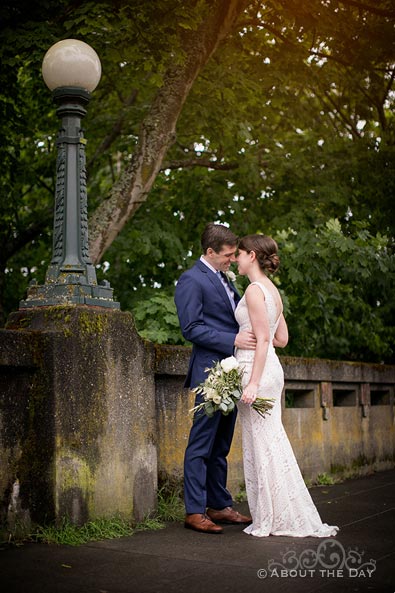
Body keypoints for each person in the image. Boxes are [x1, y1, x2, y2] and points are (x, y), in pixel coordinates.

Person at [235, 233, 339, 537]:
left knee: (261, 442)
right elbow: (282, 339)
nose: (237, 260)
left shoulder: (255, 290)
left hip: (257, 372)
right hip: (271, 370)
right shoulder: (273, 291)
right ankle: (279, 510)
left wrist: (252, 382)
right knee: (270, 440)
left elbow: (267, 339)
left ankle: (271, 515)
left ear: (252, 255)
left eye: (240, 254)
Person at [175, 223, 255, 534]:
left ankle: (218, 505)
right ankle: (194, 510)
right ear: (210, 252)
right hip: (211, 372)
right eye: (228, 255)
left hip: (232, 371)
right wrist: (233, 339)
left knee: (221, 443)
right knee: (201, 443)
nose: (233, 259)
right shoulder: (191, 280)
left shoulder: (223, 278)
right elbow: (190, 328)